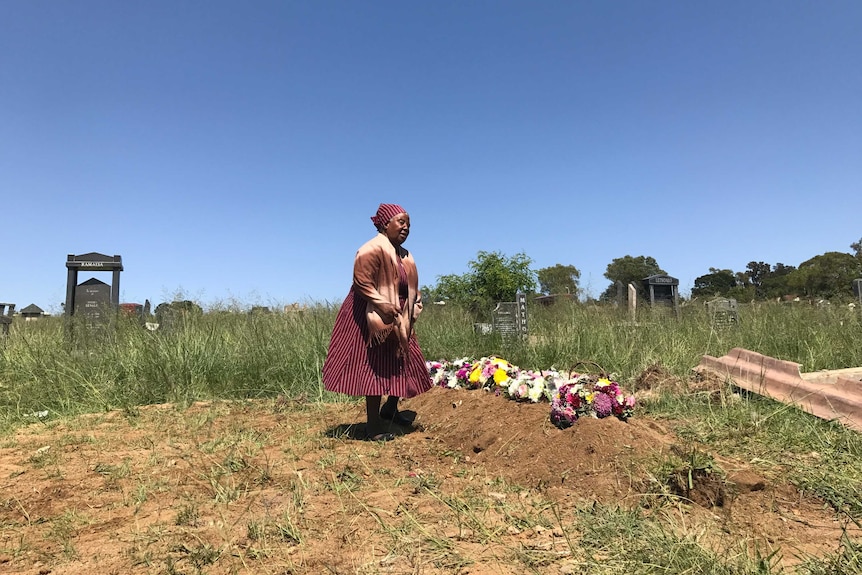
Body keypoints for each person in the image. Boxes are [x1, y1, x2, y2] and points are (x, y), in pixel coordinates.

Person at [322, 203, 432, 441]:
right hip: (369, 315)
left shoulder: (405, 254)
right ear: (385, 224)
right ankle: (373, 426)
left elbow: (411, 286)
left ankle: (390, 409)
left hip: (399, 315)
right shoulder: (370, 249)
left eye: (408, 224)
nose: (405, 228)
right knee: (372, 366)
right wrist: (382, 304)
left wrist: (414, 305)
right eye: (400, 222)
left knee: (402, 359)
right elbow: (362, 283)